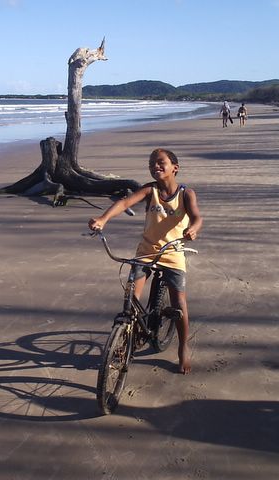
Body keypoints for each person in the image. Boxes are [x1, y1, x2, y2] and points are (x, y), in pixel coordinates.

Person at [88, 148, 203, 374]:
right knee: (130, 296)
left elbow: (197, 217)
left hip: (172, 253)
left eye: (160, 162)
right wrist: (103, 219)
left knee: (179, 302)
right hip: (146, 251)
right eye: (151, 163)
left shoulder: (186, 193)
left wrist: (193, 229)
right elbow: (124, 204)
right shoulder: (150, 190)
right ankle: (126, 335)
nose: (155, 166)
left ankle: (183, 346)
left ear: (175, 168)